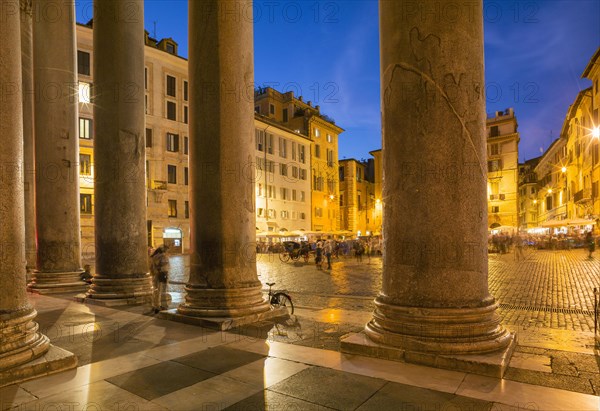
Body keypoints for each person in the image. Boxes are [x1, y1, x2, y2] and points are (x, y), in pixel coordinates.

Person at [150, 244, 170, 313]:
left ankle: (155, 305)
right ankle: (162, 305)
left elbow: (151, 268)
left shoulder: (153, 257)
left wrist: (154, 273)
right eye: (167, 250)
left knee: (156, 290)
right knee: (163, 291)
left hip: (155, 276)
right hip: (162, 275)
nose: (168, 252)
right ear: (164, 250)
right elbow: (164, 267)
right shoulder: (163, 257)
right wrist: (165, 274)